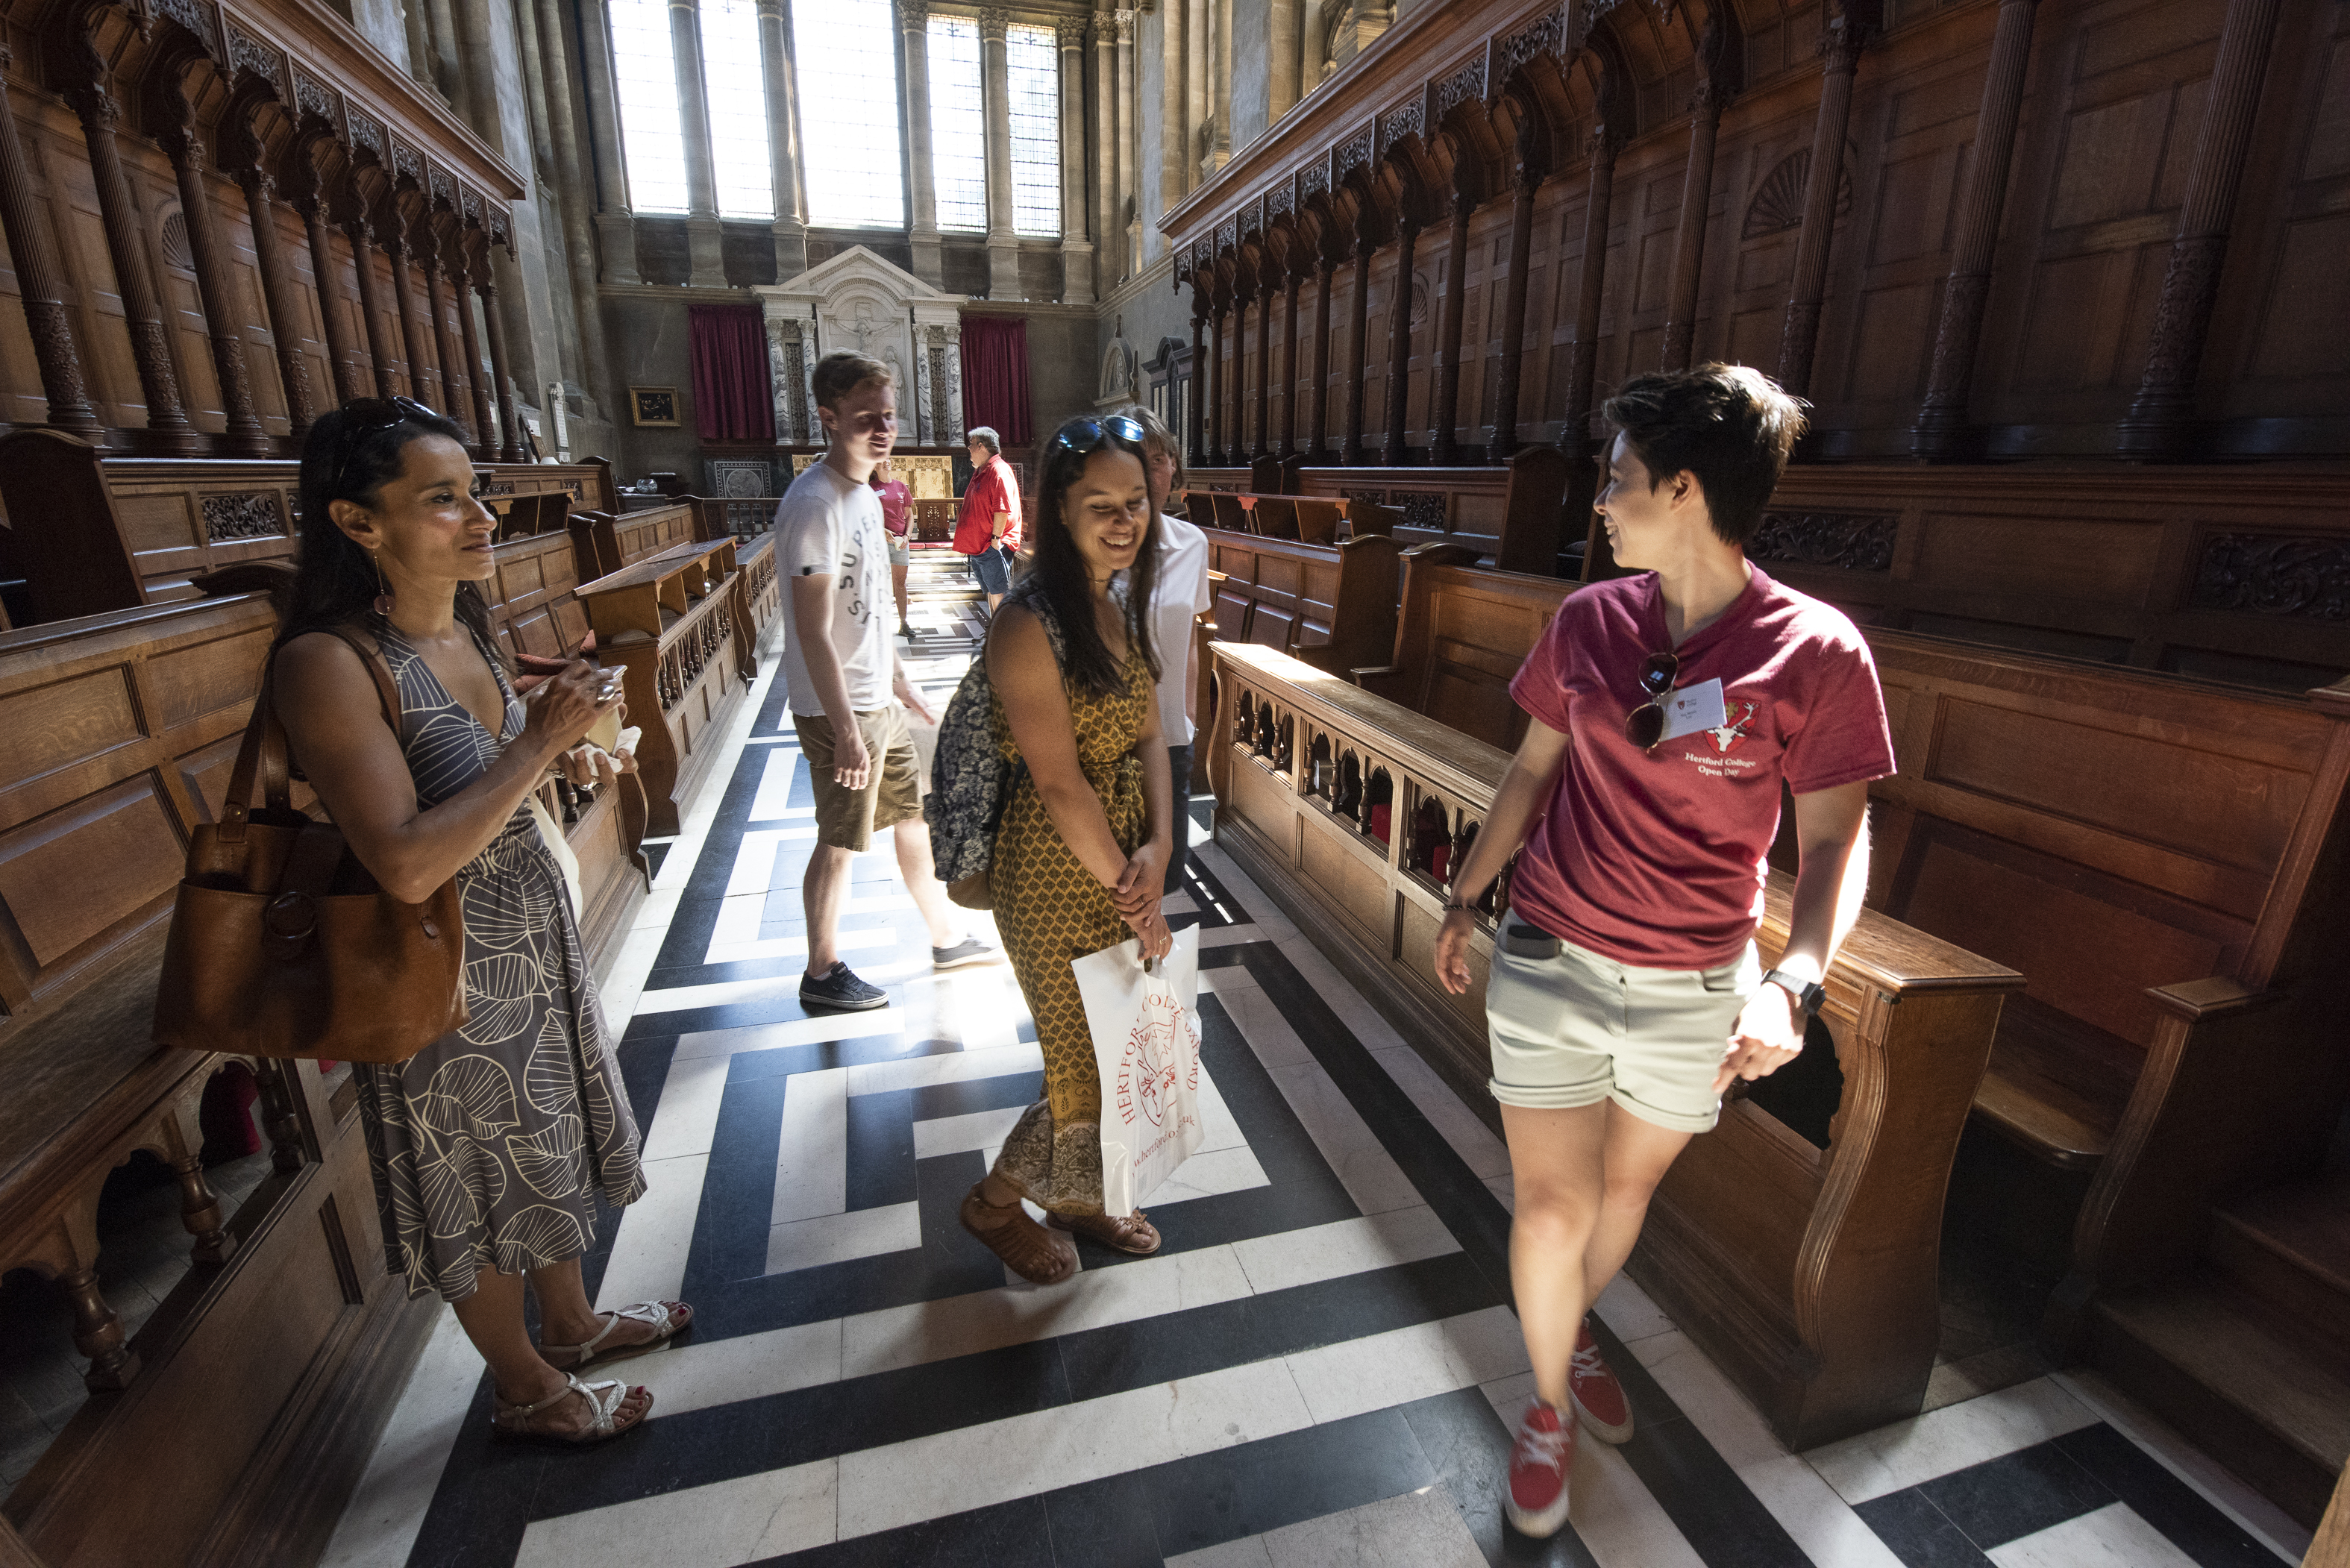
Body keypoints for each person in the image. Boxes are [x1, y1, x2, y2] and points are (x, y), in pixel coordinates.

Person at [1429, 366, 1891, 1537]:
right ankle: (1545, 1403)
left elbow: (1836, 842)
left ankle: (1567, 1328)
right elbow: (1530, 771)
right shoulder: (1590, 620)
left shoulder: (1814, 651)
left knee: (1620, 1193)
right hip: (1552, 951)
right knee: (1547, 1206)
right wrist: (1464, 897)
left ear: (1682, 489)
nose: (1599, 502)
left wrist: (1795, 981)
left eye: (1617, 478)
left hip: (1694, 981)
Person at [273, 397, 689, 1445]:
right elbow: (405, 859)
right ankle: (524, 1386)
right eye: (444, 499)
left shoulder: (461, 625)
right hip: (437, 971)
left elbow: (497, 784)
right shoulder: (327, 662)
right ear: (358, 522)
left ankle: (574, 1321)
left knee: (541, 1143)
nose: (482, 520)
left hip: (525, 940)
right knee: (473, 1174)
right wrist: (537, 746)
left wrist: (573, 753)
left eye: (479, 494)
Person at [957, 415, 1175, 1284]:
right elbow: (1057, 782)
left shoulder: (1114, 603)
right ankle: (994, 1204)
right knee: (1079, 1065)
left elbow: (1153, 736)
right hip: (1052, 869)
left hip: (1121, 850)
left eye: (1135, 502)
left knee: (1118, 1043)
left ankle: (1083, 1199)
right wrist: (1140, 888)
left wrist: (1161, 841)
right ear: (1057, 509)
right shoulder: (1027, 623)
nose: (1124, 520)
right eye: (1101, 505)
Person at [779, 353, 994, 1012]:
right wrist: (846, 730)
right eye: (867, 417)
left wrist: (899, 679)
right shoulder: (816, 504)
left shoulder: (866, 496)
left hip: (877, 700)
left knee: (910, 820)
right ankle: (822, 971)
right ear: (828, 417)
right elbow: (814, 631)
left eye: (889, 416)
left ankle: (946, 935)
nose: (883, 429)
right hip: (838, 708)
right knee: (842, 840)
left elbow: (865, 606)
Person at [1118, 404, 1212, 896]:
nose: (1152, 471)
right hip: (1108, 741)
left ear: (1174, 466)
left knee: (1165, 878)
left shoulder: (1192, 544)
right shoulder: (1099, 544)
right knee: (1114, 878)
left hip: (1172, 736)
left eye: (1160, 459)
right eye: (1137, 458)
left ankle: (1148, 969)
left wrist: (1189, 717)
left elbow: (1190, 637)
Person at [953, 425, 1022, 616]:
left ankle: (1002, 640)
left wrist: (995, 540)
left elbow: (1002, 510)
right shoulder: (983, 470)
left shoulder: (998, 470)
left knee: (999, 595)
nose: (968, 449)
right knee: (992, 593)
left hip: (991, 545)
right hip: (981, 545)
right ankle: (993, 633)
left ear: (982, 446)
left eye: (971, 445)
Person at [874, 456, 916, 641]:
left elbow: (909, 515)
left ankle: (903, 623)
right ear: (874, 466)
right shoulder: (870, 489)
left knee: (900, 583)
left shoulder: (900, 487)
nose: (886, 462)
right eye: (881, 460)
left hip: (900, 541)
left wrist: (907, 536)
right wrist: (882, 531)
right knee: (878, 584)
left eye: (888, 459)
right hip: (878, 542)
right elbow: (867, 516)